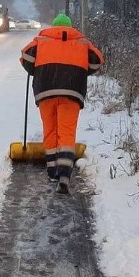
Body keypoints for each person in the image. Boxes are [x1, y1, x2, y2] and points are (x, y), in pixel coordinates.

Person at [19, 14, 104, 194]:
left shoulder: (42, 39)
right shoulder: (82, 42)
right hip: (72, 91)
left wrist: (35, 69)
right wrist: (80, 70)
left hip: (45, 91)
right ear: (70, 27)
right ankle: (64, 173)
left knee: (50, 129)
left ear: (54, 26)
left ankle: (52, 171)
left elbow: (25, 56)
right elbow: (97, 61)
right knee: (66, 131)